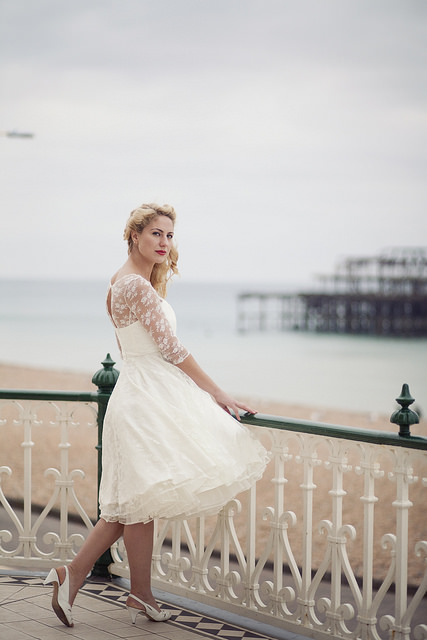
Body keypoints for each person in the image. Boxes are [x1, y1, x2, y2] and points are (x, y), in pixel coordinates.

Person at [44, 203, 268, 628]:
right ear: (135, 236)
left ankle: (135, 593)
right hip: (144, 401)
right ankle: (78, 575)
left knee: (137, 504)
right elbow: (172, 350)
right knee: (132, 505)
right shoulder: (135, 286)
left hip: (141, 395)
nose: (164, 243)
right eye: (156, 234)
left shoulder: (121, 282)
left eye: (169, 236)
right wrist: (219, 393)